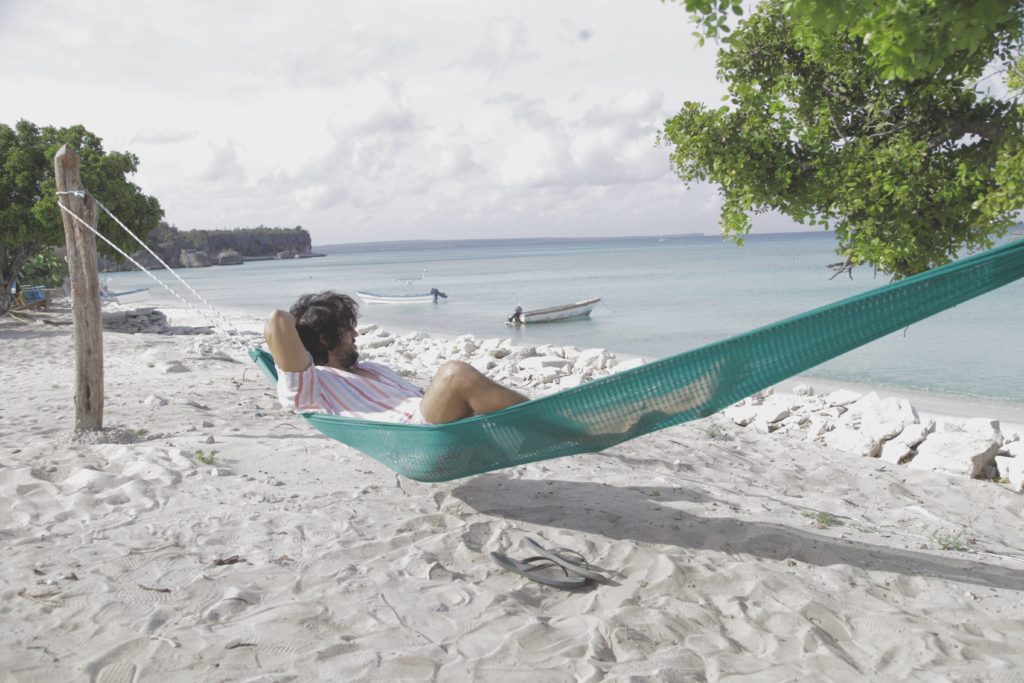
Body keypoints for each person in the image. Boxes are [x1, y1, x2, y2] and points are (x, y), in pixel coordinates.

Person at [265, 291, 528, 424]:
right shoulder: (313, 386)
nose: (356, 333)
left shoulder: (372, 368)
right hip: (418, 435)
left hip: (439, 419)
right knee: (454, 373)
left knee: (467, 384)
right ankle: (551, 424)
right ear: (325, 340)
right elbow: (278, 321)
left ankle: (545, 421)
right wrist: (307, 319)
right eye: (347, 329)